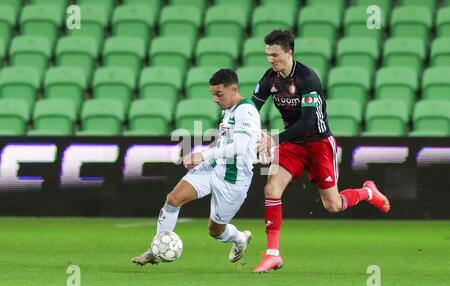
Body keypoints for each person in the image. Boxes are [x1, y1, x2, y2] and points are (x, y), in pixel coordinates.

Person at [251, 29, 390, 273]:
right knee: (271, 188)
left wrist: (273, 139)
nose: (271, 60)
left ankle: (367, 192)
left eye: (275, 55)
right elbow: (252, 109)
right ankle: (272, 253)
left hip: (318, 143)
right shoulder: (269, 79)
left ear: (289, 52)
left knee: (333, 205)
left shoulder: (307, 79)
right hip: (293, 144)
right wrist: (249, 128)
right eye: (268, 55)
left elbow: (307, 123)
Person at [132, 69, 262, 265]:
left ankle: (239, 238)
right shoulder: (228, 110)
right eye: (213, 95)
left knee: (215, 230)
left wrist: (204, 154)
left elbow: (240, 146)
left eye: (219, 94)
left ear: (234, 89)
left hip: (233, 180)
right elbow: (226, 142)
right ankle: (156, 249)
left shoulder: (246, 110)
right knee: (173, 199)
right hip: (213, 167)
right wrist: (204, 155)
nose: (215, 99)